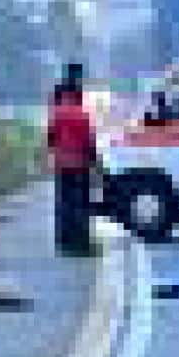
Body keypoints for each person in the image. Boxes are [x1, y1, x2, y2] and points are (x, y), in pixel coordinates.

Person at [46, 64, 102, 257]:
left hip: (62, 165)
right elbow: (89, 142)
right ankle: (82, 243)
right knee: (81, 204)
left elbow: (51, 139)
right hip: (80, 165)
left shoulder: (57, 113)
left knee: (64, 203)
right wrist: (96, 164)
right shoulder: (83, 115)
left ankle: (64, 242)